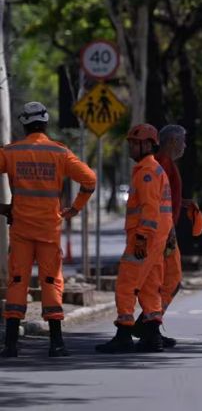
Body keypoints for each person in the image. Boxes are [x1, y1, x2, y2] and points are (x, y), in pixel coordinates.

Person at [0, 102, 96, 358]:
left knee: (17, 281)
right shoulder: (60, 153)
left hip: (20, 229)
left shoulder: (10, 152)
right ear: (45, 123)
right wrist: (75, 209)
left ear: (24, 124)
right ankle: (56, 344)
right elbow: (90, 180)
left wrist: (2, 208)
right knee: (51, 281)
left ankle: (10, 345)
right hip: (49, 231)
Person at [96, 124, 173, 353]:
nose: (130, 147)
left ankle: (124, 335)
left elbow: (149, 209)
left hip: (145, 239)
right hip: (156, 240)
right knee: (150, 287)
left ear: (148, 145)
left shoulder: (147, 172)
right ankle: (152, 335)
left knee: (126, 284)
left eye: (134, 143)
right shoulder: (153, 169)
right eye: (130, 142)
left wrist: (141, 238)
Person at [131, 124, 187, 348]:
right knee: (168, 281)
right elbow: (155, 203)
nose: (185, 146)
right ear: (173, 142)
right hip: (162, 234)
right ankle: (148, 324)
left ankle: (149, 325)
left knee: (164, 281)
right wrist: (168, 231)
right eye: (182, 141)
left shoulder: (165, 164)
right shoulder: (162, 163)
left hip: (163, 232)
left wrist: (183, 204)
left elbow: (164, 199)